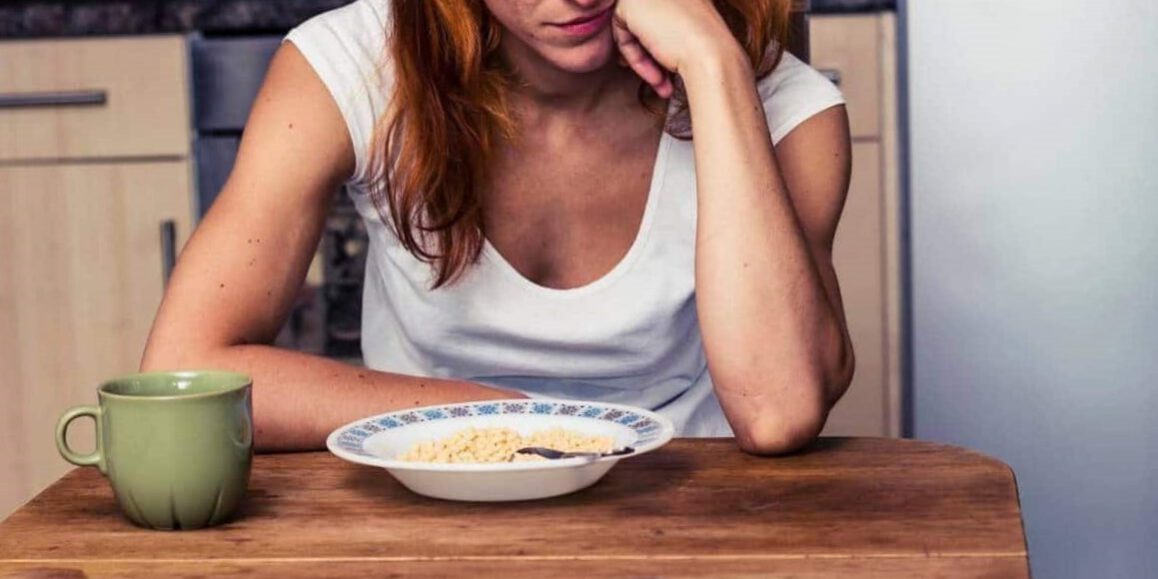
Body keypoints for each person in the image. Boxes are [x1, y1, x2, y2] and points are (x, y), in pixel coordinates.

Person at [141, 0, 855, 454]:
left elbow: (779, 414)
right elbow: (185, 369)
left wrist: (714, 65)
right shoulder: (351, 64)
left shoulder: (786, 106)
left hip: (693, 504)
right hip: (433, 488)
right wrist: (525, 423)